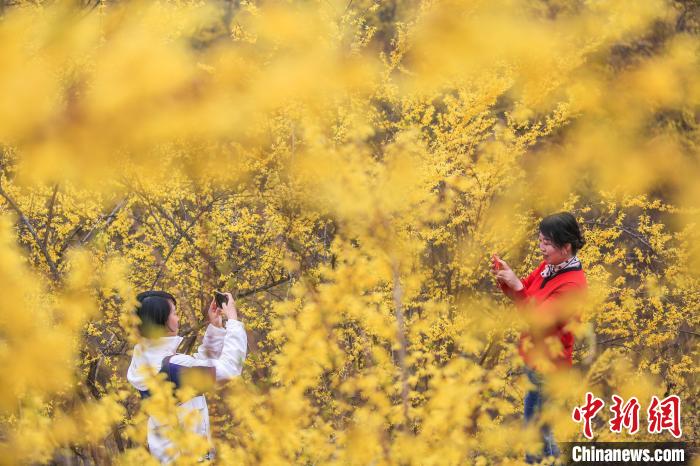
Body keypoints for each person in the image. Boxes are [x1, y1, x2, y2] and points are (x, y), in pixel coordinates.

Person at [491, 212, 587, 463]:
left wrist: (519, 287)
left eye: (547, 243)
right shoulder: (548, 267)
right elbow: (525, 296)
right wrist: (508, 280)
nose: (541, 248)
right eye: (540, 240)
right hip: (535, 359)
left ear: (566, 247)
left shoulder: (573, 285)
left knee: (539, 432)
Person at [127, 290, 247, 463]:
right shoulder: (174, 366)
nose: (178, 319)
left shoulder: (146, 359)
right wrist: (233, 321)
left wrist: (215, 328)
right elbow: (229, 370)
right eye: (174, 313)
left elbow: (196, 369)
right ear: (161, 322)